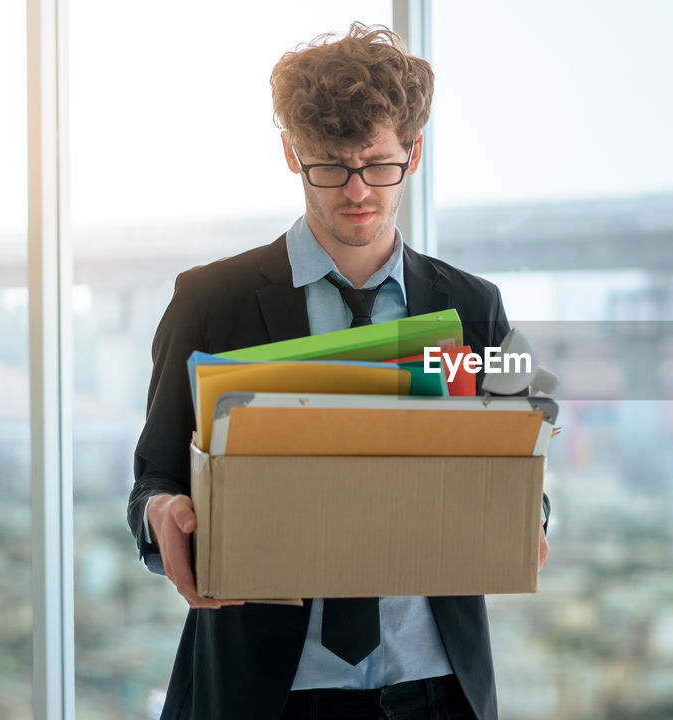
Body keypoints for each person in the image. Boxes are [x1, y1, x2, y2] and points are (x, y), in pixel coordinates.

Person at [127, 23, 548, 720]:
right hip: (266, 692)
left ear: (413, 155)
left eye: (378, 164)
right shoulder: (211, 300)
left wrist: (529, 516)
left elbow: (517, 465)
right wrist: (162, 511)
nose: (357, 191)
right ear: (291, 154)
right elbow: (155, 478)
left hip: (436, 690)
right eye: (330, 166)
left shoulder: (474, 307)